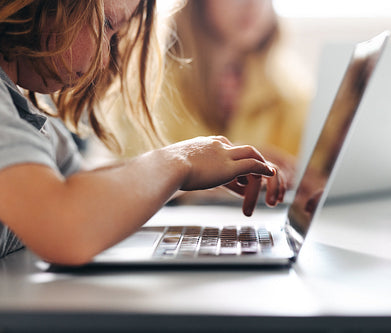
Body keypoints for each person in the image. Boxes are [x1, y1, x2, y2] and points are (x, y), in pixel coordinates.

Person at [0, 0, 285, 265]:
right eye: (108, 24)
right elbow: (65, 228)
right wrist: (179, 162)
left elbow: (81, 187)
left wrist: (196, 168)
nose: (102, 62)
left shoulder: (23, 113)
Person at [108, 0, 311, 199]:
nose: (253, 4)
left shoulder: (290, 89)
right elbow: (134, 178)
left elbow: (313, 168)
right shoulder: (148, 83)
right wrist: (212, 170)